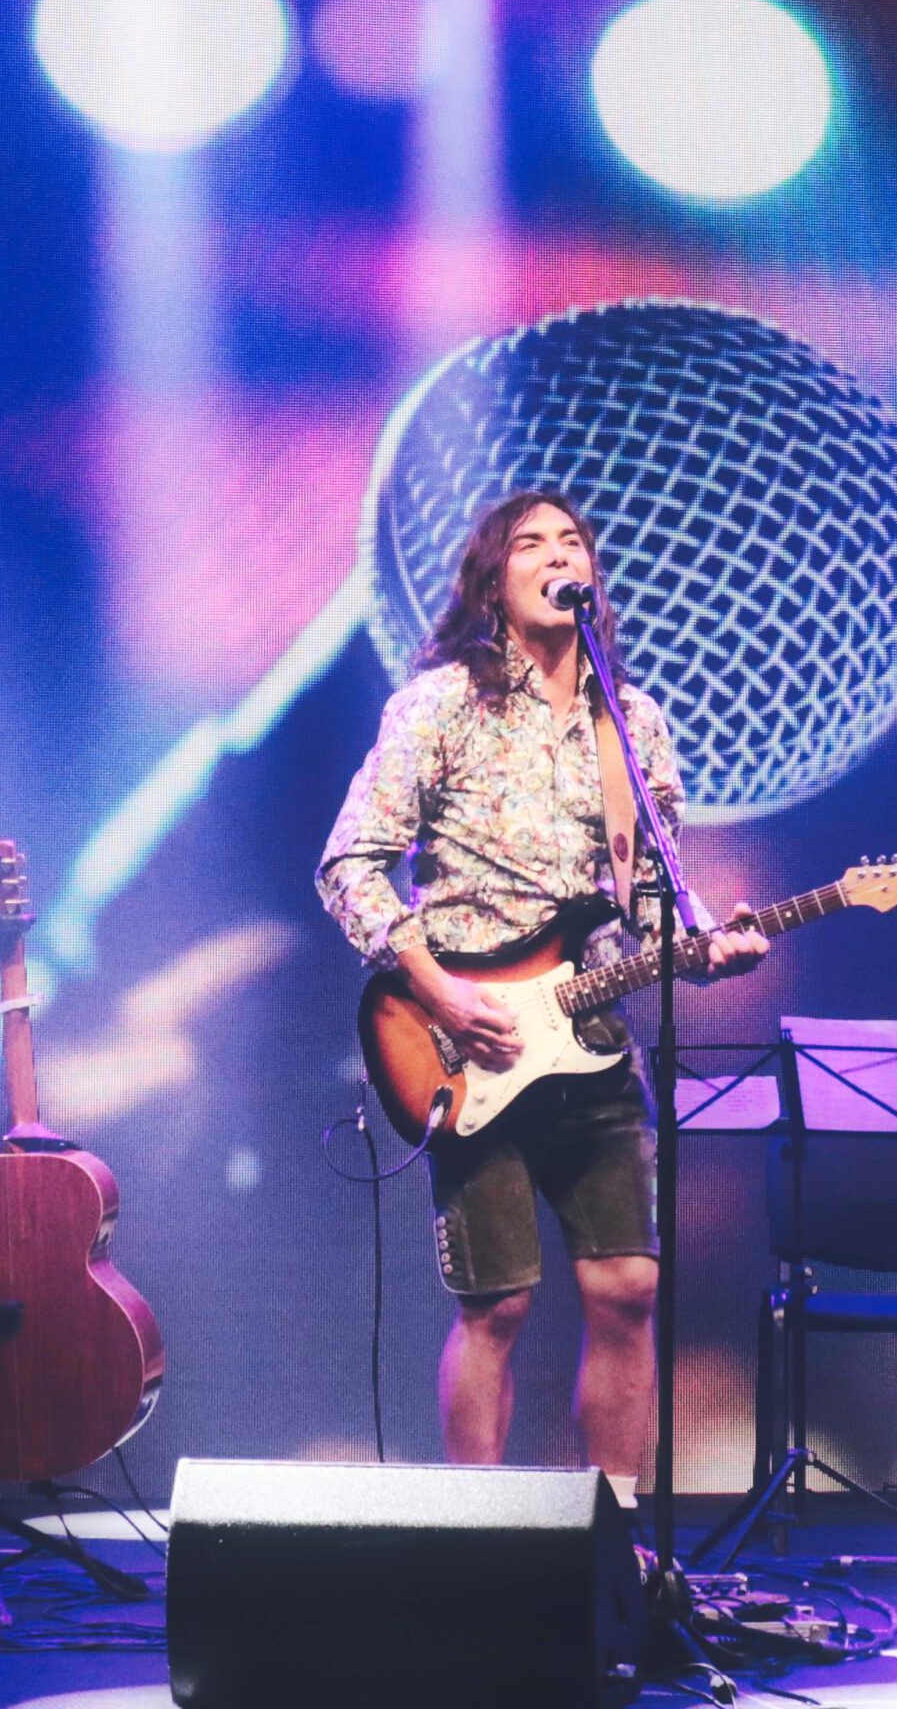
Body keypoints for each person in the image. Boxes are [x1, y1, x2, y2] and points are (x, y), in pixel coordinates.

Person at [316, 489, 767, 1510]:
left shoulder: (631, 722)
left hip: (596, 1040)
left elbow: (650, 893)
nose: (559, 554)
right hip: (461, 1035)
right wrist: (433, 986)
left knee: (628, 1288)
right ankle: (477, 1537)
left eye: (572, 542)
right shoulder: (438, 704)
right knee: (499, 1302)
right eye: (532, 543)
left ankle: (605, 1535)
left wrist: (701, 950)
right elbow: (348, 864)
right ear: (493, 578)